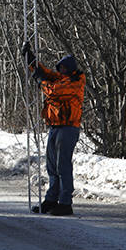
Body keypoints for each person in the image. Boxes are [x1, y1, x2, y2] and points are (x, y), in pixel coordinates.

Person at [23, 42, 86, 216]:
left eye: (64, 68)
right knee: (52, 165)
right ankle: (52, 199)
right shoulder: (62, 78)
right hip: (55, 126)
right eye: (60, 68)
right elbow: (47, 74)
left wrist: (40, 81)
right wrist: (31, 60)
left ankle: (65, 202)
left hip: (68, 128)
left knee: (62, 165)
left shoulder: (74, 83)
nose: (61, 71)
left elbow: (52, 91)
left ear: (71, 70)